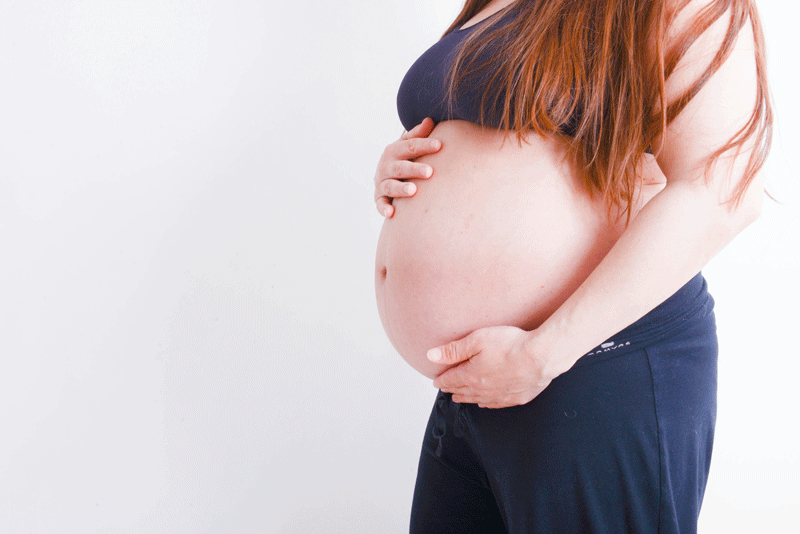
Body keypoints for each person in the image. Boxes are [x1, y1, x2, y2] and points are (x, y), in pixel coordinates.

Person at [372, 0, 772, 532]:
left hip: (592, 362)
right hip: (479, 386)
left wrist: (544, 352)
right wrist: (403, 160)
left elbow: (721, 191)